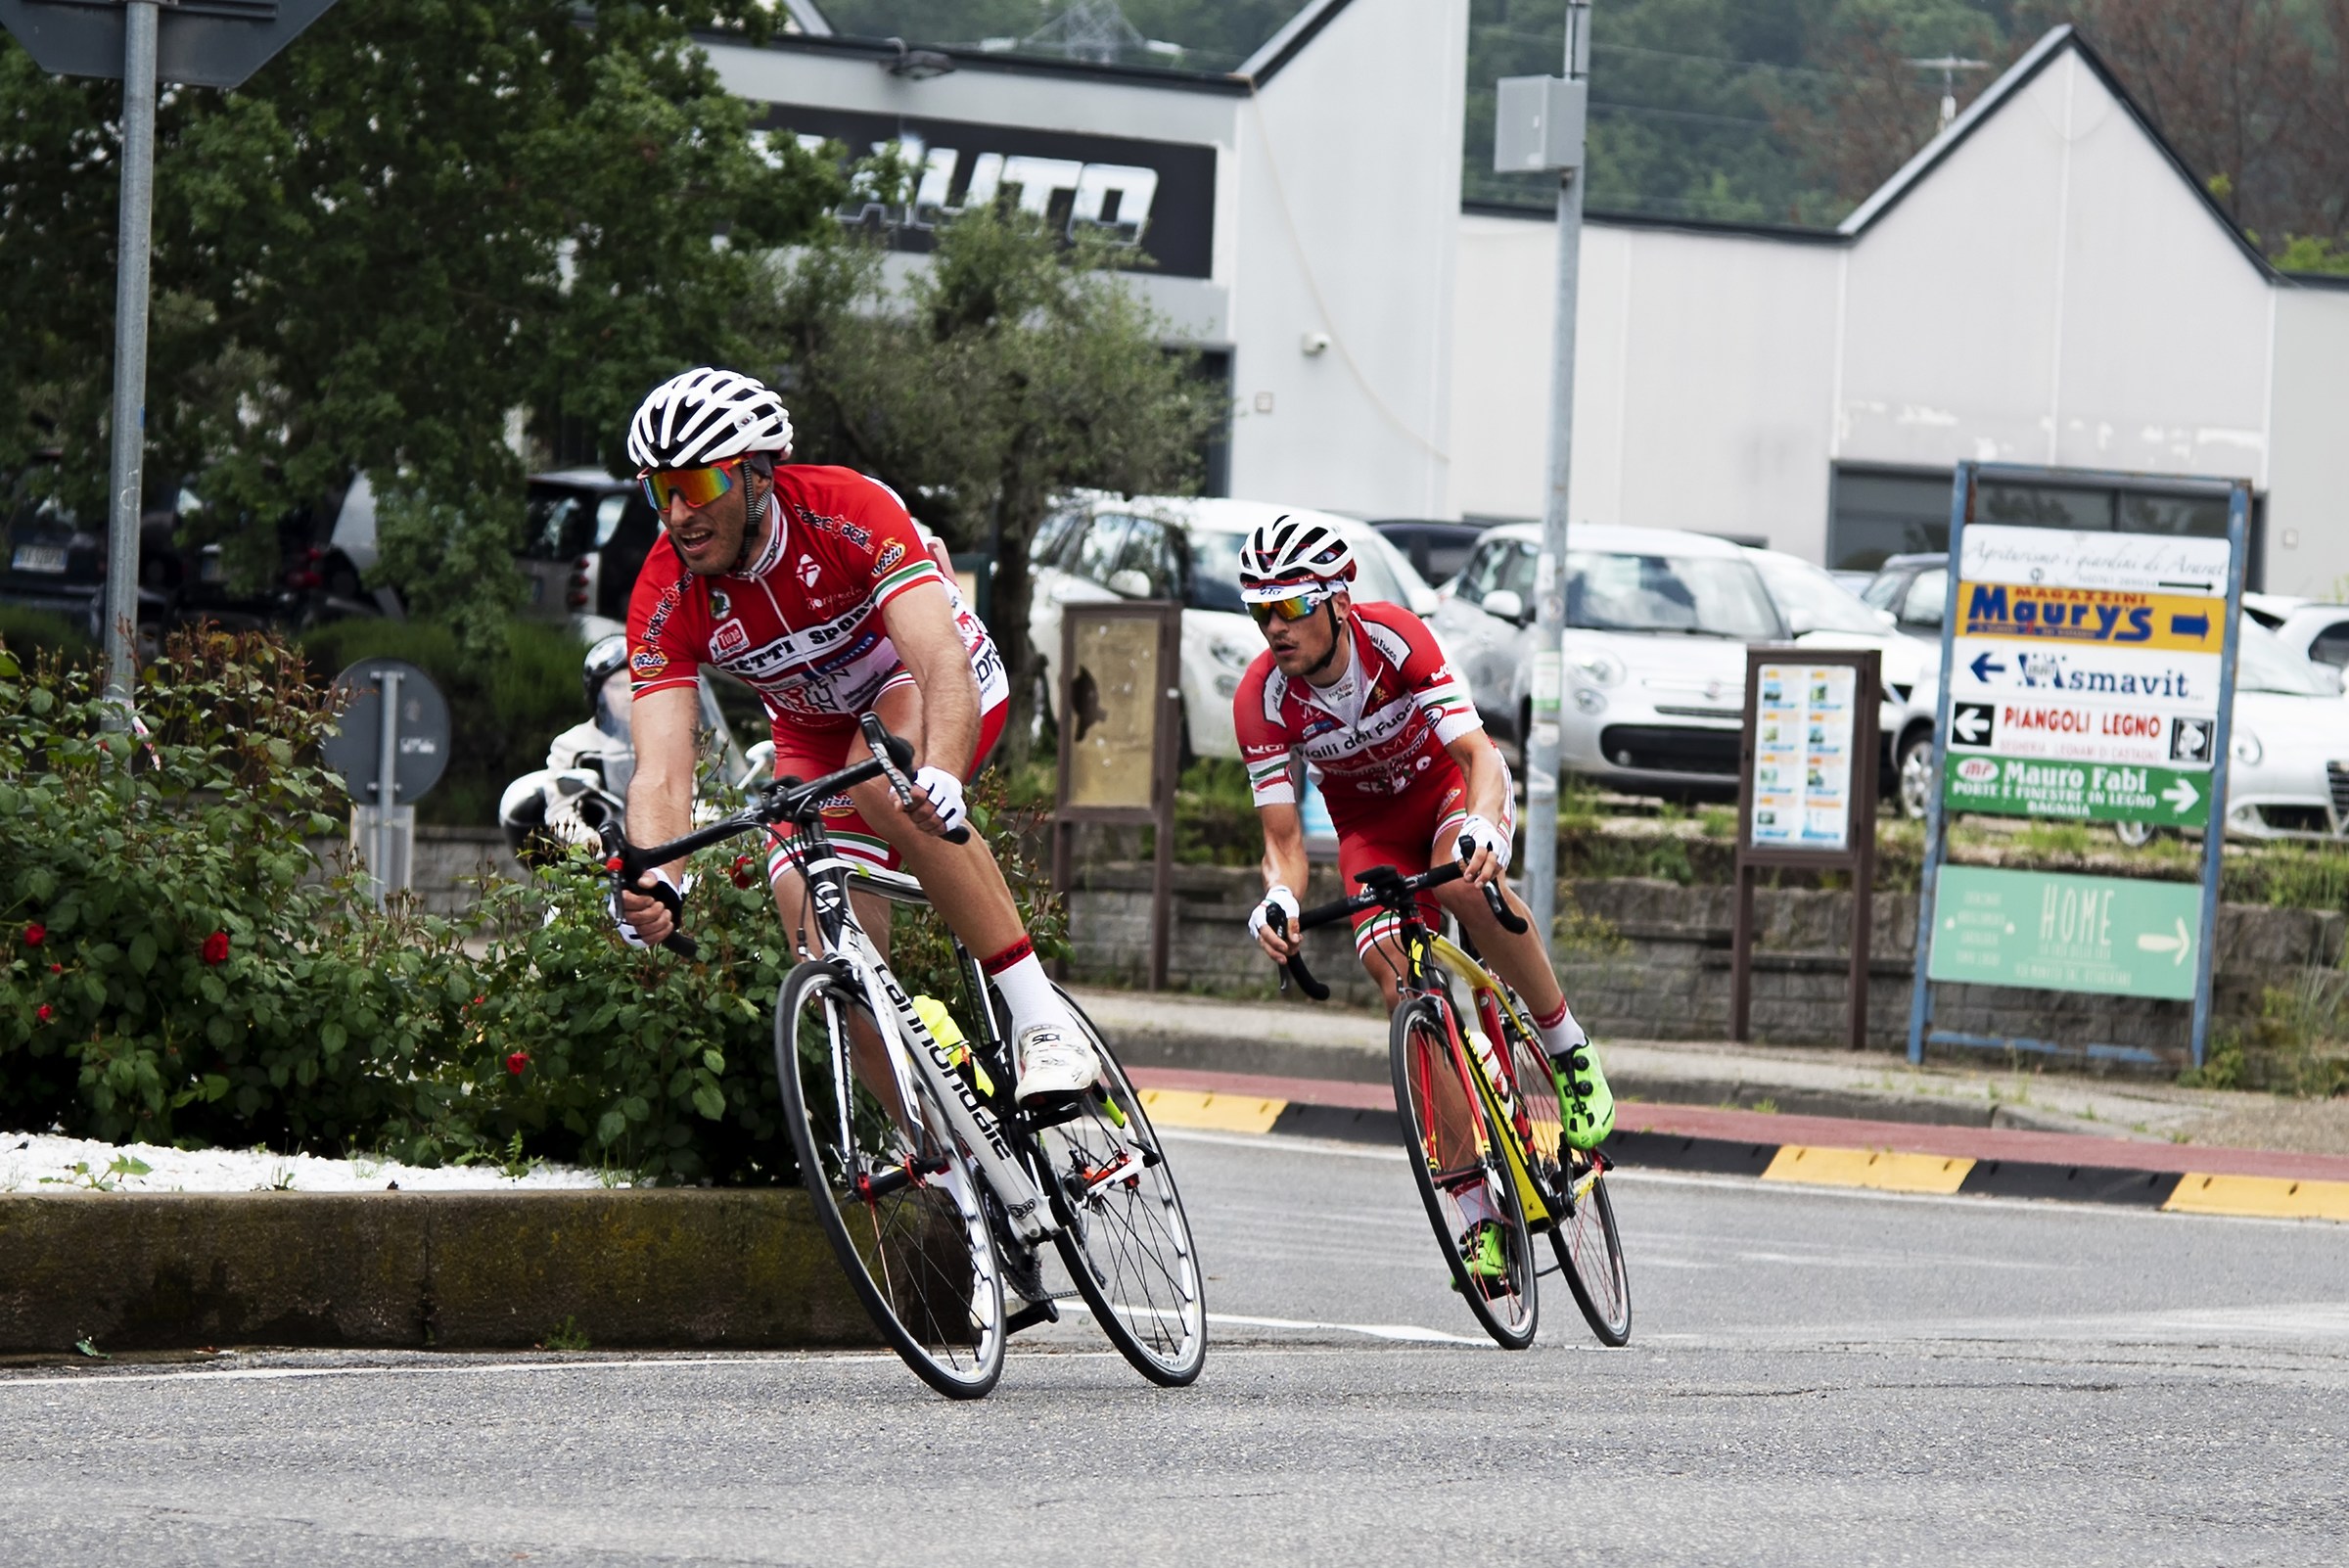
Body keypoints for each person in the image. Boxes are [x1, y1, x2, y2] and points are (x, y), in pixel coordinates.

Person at [610, 366, 1095, 1106]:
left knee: (880, 782)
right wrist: (656, 880)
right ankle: (943, 1172)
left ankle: (1043, 1022)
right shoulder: (664, 594)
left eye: (697, 486)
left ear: (757, 476)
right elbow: (662, 776)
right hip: (811, 733)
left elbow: (939, 663)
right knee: (830, 952)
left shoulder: (847, 509)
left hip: (922, 683)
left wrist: (943, 772)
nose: (677, 514)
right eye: (659, 491)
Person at [1232, 513, 1614, 1173]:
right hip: (1371, 832)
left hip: (1450, 795)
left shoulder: (1394, 637)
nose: (1275, 628)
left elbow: (1477, 756)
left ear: (1339, 602)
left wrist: (1482, 824)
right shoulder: (1260, 700)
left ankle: (1568, 1048)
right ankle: (1473, 1203)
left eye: (1292, 606)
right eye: (1261, 612)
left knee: (1465, 883)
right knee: (1395, 977)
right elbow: (1284, 840)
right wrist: (1277, 900)